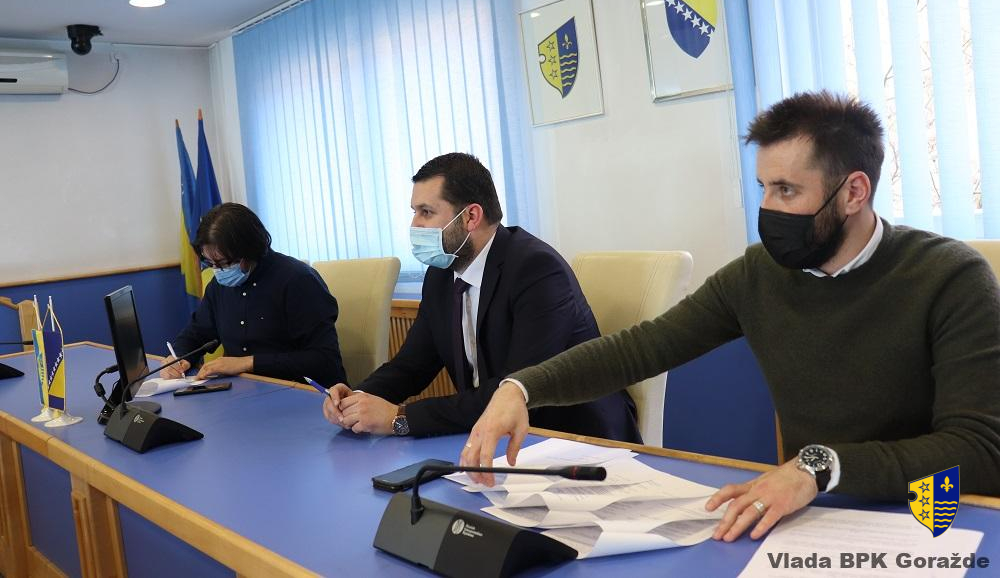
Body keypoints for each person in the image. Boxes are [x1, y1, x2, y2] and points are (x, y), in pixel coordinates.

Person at [460, 92, 1000, 543]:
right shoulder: (759, 274)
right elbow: (645, 346)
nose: (768, 207)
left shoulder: (950, 277)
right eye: (763, 187)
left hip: (941, 520)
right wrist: (522, 387)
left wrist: (818, 467)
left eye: (787, 190)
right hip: (814, 516)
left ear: (854, 192)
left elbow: (979, 450)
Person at [322, 152, 641, 440]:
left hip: (572, 438)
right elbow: (412, 365)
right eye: (414, 211)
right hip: (493, 433)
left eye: (426, 212)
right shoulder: (441, 274)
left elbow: (516, 389)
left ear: (471, 216)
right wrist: (356, 398)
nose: (415, 224)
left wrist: (399, 418)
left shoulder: (537, 270)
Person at [162, 202, 347, 388]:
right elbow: (197, 332)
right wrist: (179, 357)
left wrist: (248, 362)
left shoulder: (298, 280)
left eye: (224, 263)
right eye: (211, 264)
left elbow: (323, 359)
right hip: (242, 390)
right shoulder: (219, 286)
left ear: (249, 250)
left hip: (301, 391)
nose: (218, 271)